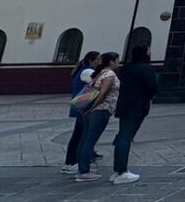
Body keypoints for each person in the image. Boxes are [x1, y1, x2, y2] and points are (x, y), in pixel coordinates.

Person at [111, 45, 158, 185]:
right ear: (144, 53)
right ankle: (122, 172)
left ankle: (117, 170)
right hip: (136, 106)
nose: (150, 52)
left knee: (122, 136)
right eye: (148, 49)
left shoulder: (126, 68)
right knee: (126, 137)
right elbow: (153, 87)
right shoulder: (145, 69)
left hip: (124, 105)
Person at [75, 52, 120, 182]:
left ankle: (82, 167)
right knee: (90, 140)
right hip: (100, 109)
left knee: (85, 138)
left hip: (91, 110)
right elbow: (102, 93)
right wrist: (92, 107)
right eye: (117, 60)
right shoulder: (109, 74)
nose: (118, 63)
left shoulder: (99, 73)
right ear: (111, 62)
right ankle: (85, 170)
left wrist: (87, 108)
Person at [62, 51, 100, 174]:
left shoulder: (84, 70)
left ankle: (71, 161)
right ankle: (73, 161)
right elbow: (98, 85)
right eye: (98, 59)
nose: (99, 62)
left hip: (81, 106)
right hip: (83, 107)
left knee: (78, 135)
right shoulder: (87, 72)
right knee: (80, 136)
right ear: (91, 60)